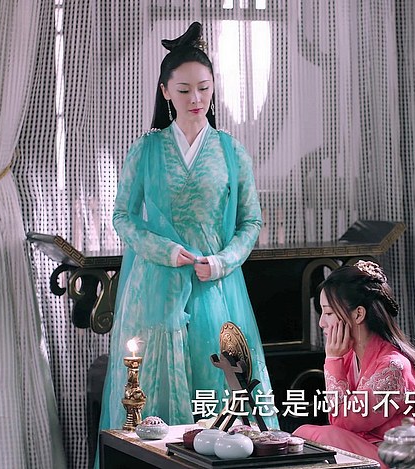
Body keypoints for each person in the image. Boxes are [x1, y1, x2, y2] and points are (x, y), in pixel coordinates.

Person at [98, 21, 279, 440]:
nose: (196, 99)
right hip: (154, 289)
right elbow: (123, 215)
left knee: (220, 395)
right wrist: (164, 250)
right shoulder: (146, 150)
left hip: (215, 288)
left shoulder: (231, 152)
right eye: (183, 90)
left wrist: (221, 262)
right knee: (147, 404)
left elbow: (250, 222)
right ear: (165, 92)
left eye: (204, 88)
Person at [293, 260, 415, 469]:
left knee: (313, 437)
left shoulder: (393, 367)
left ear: (358, 314)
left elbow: (341, 421)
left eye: (329, 313)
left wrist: (332, 360)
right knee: (304, 437)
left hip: (401, 462)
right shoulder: (350, 355)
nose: (321, 322)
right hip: (372, 453)